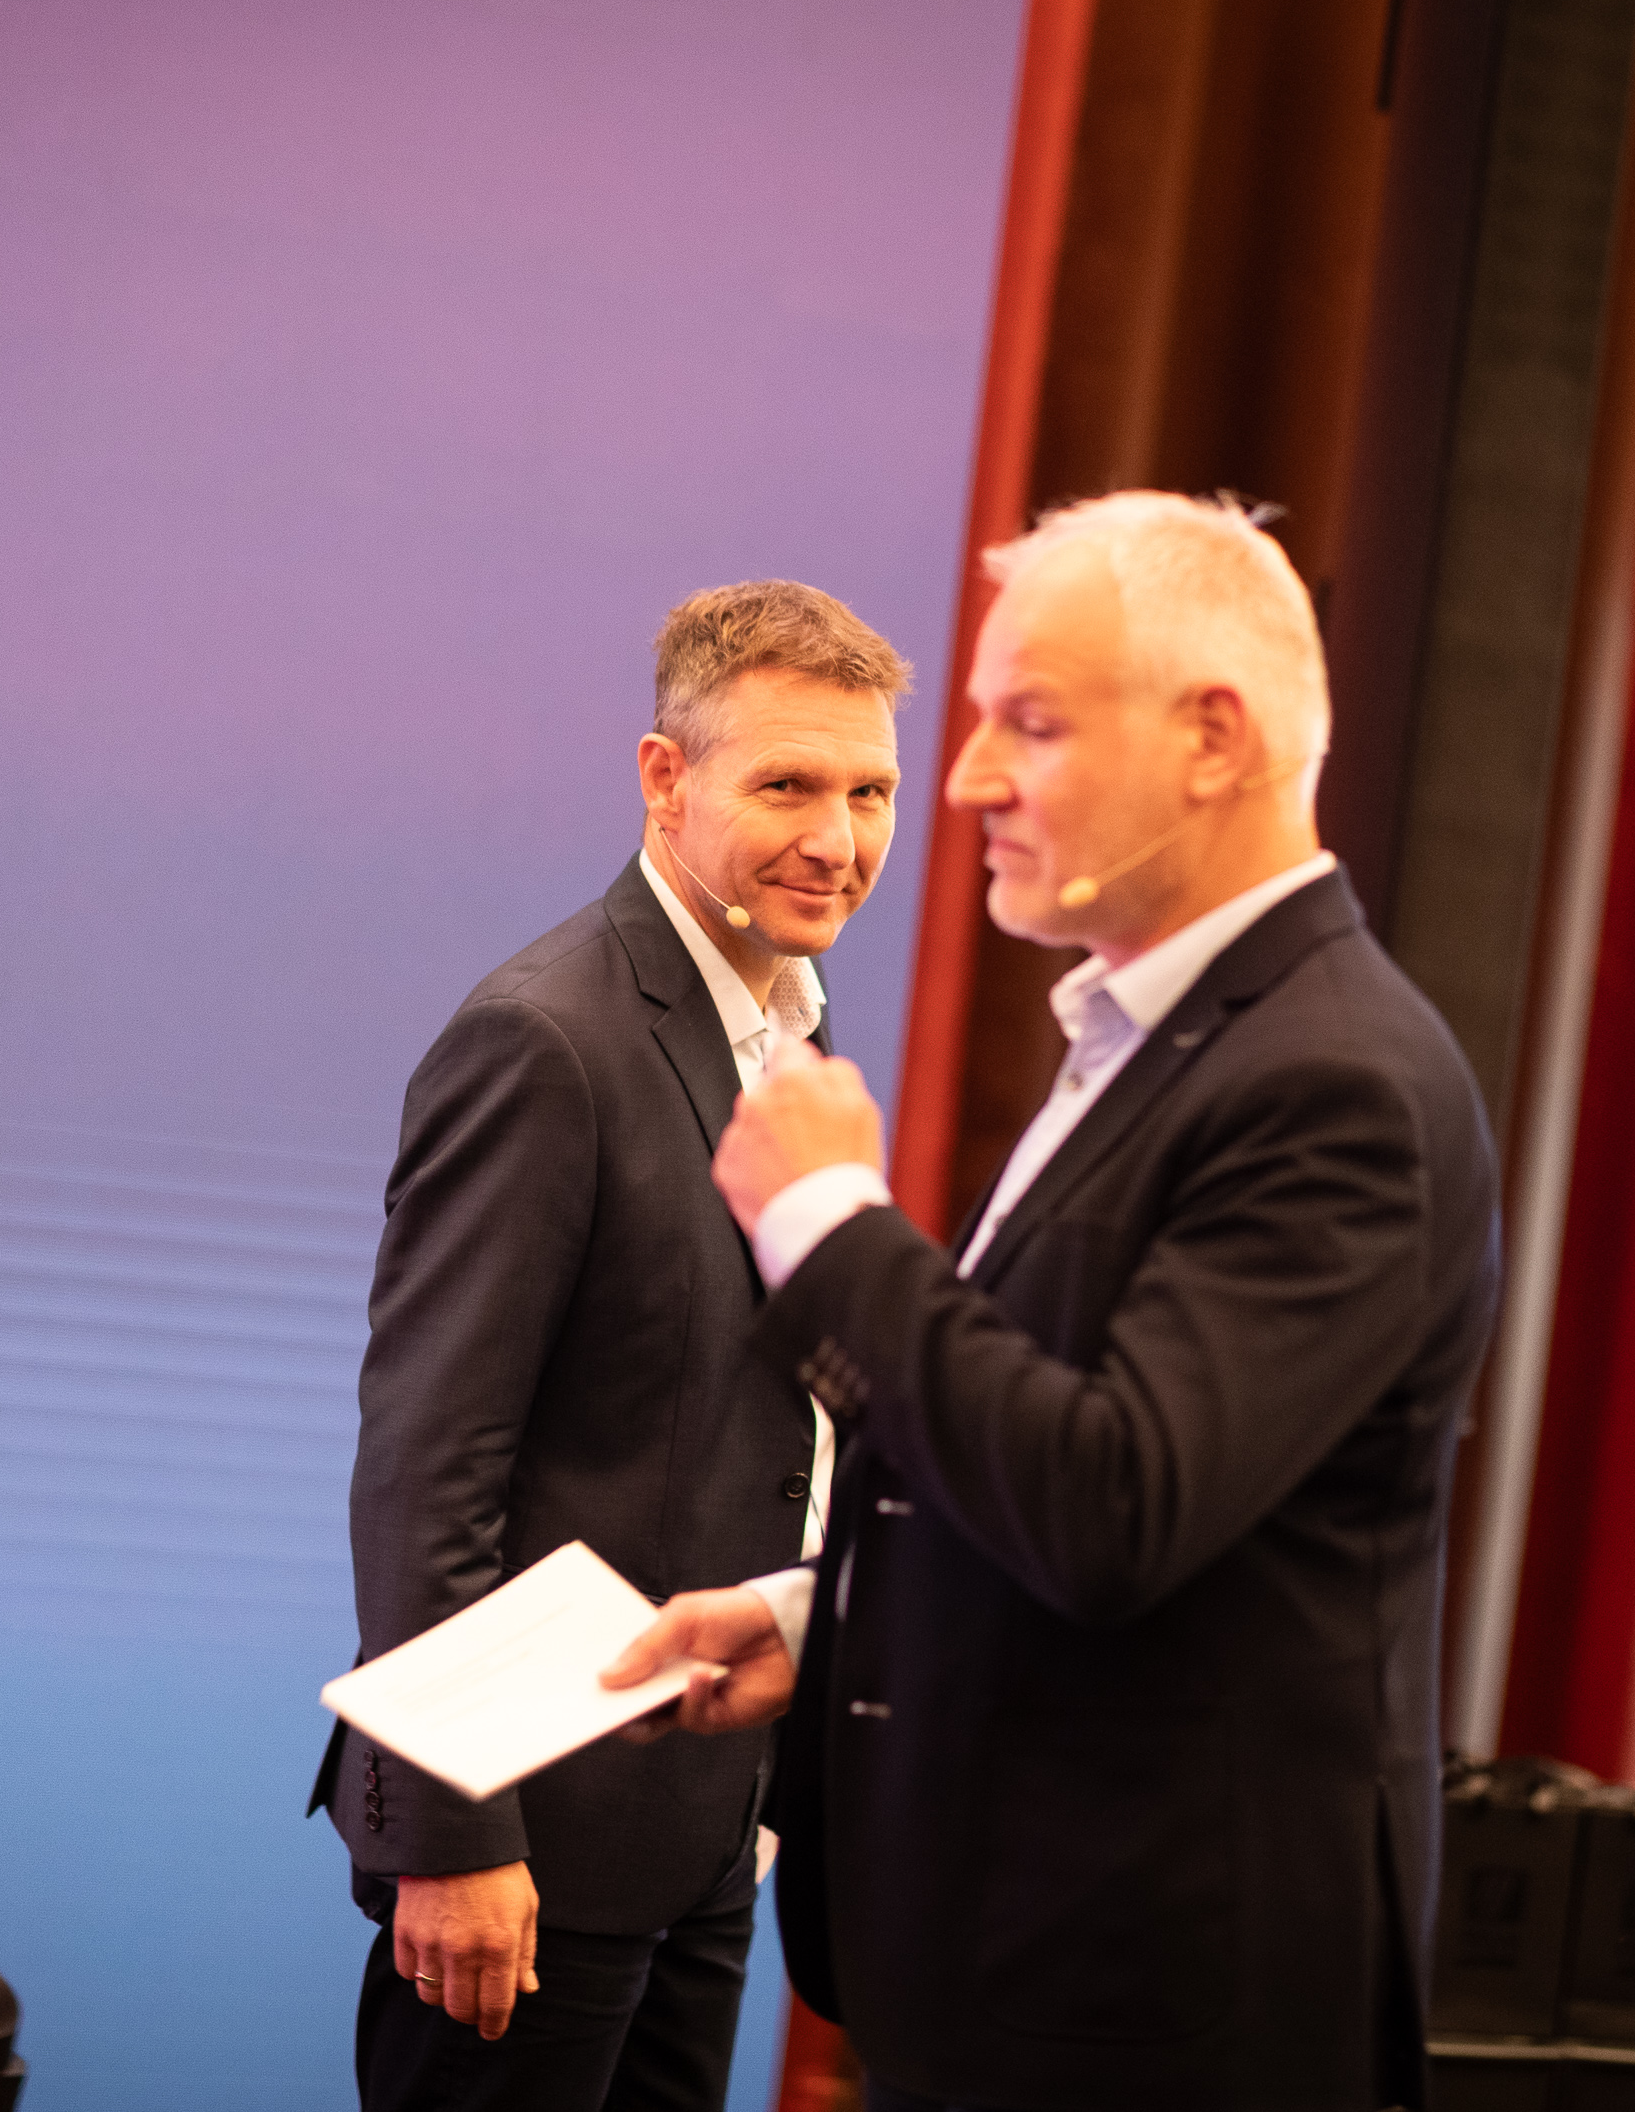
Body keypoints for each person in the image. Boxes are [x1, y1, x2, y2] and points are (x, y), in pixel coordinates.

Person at [604, 492, 1502, 2112]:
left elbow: (1112, 1503)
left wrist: (828, 1220)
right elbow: (1063, 1461)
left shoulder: (1334, 1084)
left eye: (1030, 722)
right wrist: (826, 1617)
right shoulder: (1161, 1038)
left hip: (1150, 2021)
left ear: (1214, 740)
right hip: (1030, 1986)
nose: (963, 781)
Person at [312, 580, 913, 2110]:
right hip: (529, 1847)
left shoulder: (792, 1028)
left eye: (870, 793)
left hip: (704, 1829)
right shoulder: (546, 1038)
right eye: (787, 785)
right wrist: (454, 1832)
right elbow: (428, 1466)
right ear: (664, 779)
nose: (837, 841)